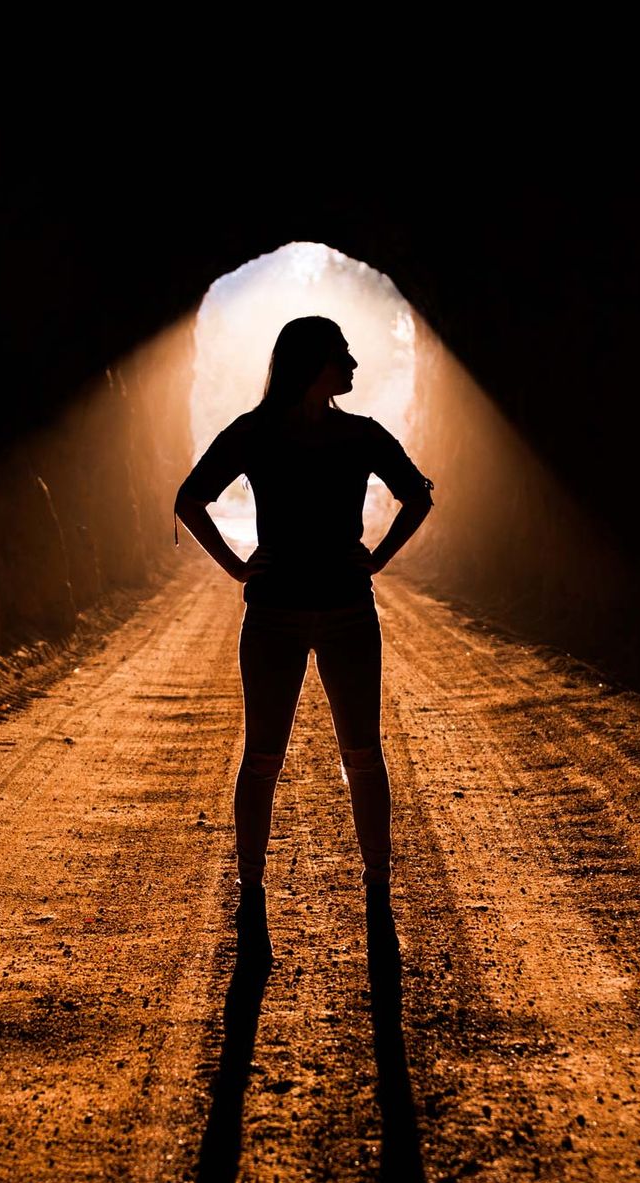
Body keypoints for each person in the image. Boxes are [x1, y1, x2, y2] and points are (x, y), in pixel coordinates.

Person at [173, 315, 434, 952]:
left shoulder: (265, 432)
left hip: (292, 612)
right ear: (313, 364)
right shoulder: (336, 435)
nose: (352, 366)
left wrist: (373, 558)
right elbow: (188, 500)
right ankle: (322, 893)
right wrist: (371, 559)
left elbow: (419, 495)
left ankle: (301, 892)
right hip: (321, 612)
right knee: (341, 757)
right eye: (341, 355)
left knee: (287, 758)